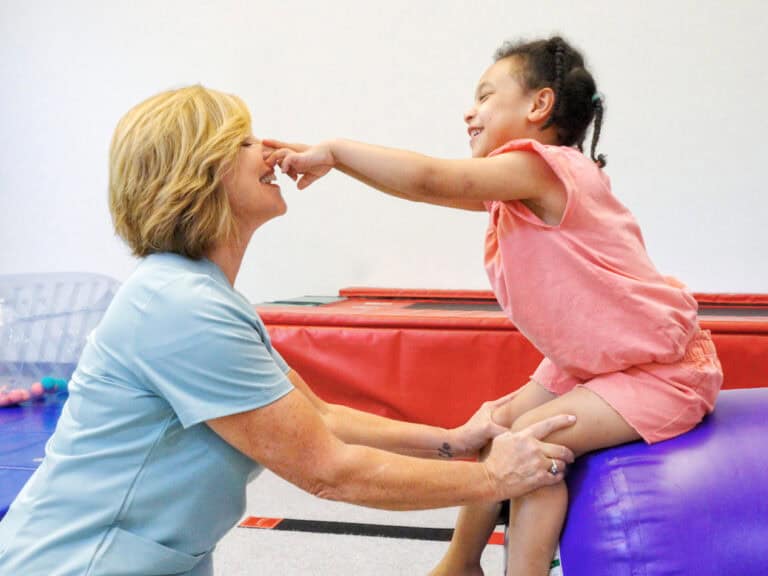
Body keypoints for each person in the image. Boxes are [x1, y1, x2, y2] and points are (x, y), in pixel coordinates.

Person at [0, 86, 577, 576]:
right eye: (247, 142)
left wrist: (451, 440)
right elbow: (327, 470)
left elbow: (318, 417)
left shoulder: (202, 295)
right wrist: (495, 479)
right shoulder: (178, 308)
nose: (272, 149)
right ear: (199, 174)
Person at [264, 35, 723, 576]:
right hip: (600, 359)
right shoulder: (517, 189)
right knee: (496, 424)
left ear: (538, 106)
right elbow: (423, 186)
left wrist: (336, 152)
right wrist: (331, 162)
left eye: (484, 96)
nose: (469, 110)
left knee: (532, 447)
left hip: (661, 370)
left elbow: (427, 180)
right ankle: (460, 564)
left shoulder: (544, 170)